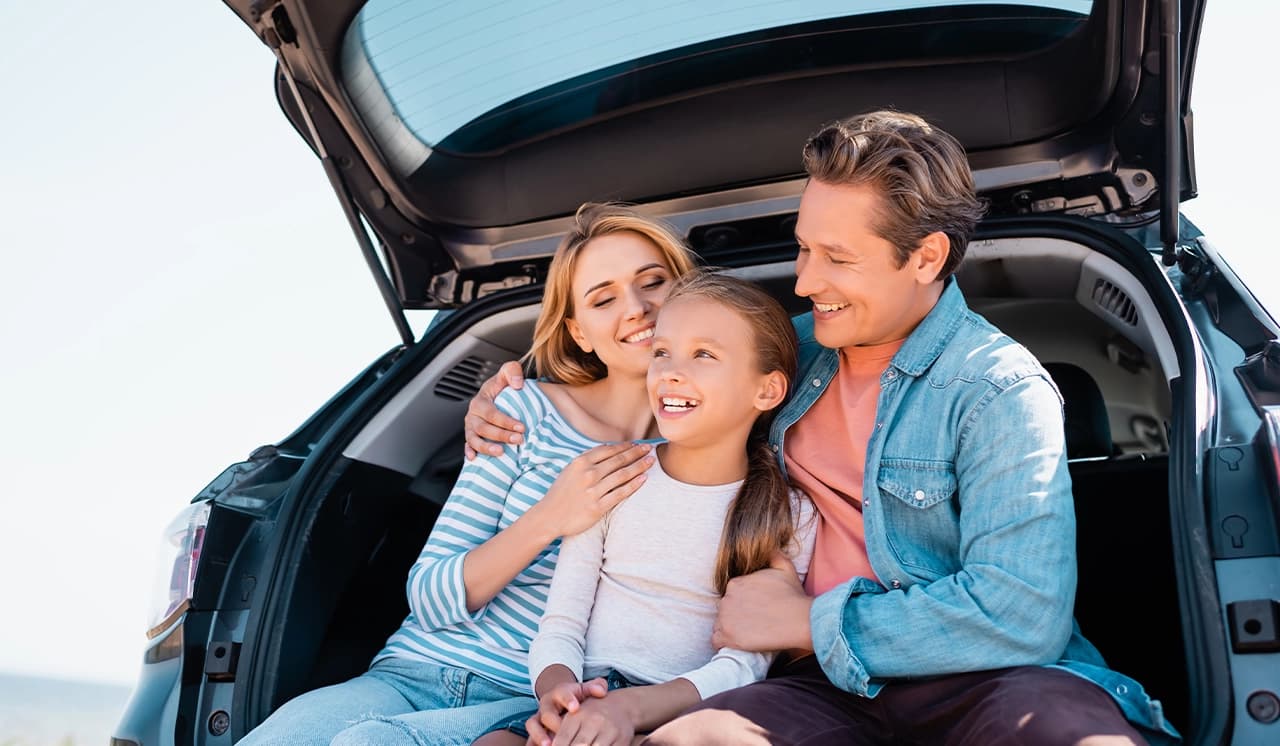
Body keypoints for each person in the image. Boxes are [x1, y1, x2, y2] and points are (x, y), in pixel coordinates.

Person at [463, 111, 1182, 745]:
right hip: (810, 684)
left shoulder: (997, 388)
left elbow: (1021, 611)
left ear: (927, 256)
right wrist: (517, 390)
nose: (805, 282)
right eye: (805, 247)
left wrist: (806, 620)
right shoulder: (787, 352)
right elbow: (666, 371)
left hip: (981, 678)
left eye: (837, 258)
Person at [237, 203, 697, 746]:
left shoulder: (705, 452)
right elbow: (429, 597)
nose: (637, 308)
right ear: (579, 332)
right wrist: (553, 516)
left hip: (529, 706)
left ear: (689, 293)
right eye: (603, 299)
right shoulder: (522, 411)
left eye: (653, 282)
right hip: (412, 675)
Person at [473, 272, 817, 746]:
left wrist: (629, 709)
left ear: (767, 391)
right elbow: (562, 622)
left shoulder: (788, 512)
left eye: (703, 354)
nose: (670, 371)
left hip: (678, 714)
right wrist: (557, 692)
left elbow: (744, 665)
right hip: (585, 698)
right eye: (661, 352)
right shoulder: (614, 474)